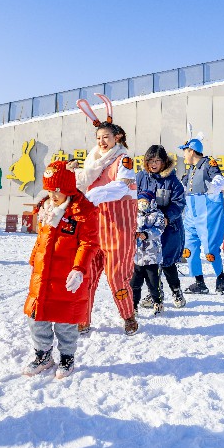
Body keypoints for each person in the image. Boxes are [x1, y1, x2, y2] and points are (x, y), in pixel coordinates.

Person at [22, 161, 100, 379]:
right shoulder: (46, 208)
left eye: (57, 190)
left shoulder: (82, 212)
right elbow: (41, 240)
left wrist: (79, 269)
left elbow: (89, 243)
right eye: (49, 190)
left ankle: (67, 357)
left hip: (68, 277)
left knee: (66, 321)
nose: (52, 195)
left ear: (68, 188)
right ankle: (43, 355)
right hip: (42, 275)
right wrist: (34, 261)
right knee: (37, 318)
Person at [71, 95, 139, 335]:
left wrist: (94, 195)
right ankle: (83, 318)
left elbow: (122, 187)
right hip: (94, 227)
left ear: (116, 137)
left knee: (116, 277)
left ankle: (128, 315)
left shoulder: (124, 160)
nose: (101, 142)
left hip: (119, 228)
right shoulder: (92, 163)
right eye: (98, 138)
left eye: (106, 137)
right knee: (87, 275)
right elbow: (80, 187)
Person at [135, 145, 187, 308]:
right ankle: (155, 293)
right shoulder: (140, 177)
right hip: (146, 228)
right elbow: (131, 197)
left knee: (167, 262)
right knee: (149, 264)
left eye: (157, 160)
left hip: (168, 228)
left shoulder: (172, 181)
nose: (154, 164)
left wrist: (167, 217)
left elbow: (179, 203)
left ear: (164, 162)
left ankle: (176, 291)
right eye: (150, 160)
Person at [179, 137, 224, 294]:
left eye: (185, 151)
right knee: (189, 247)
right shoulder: (191, 169)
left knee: (209, 248)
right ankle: (199, 282)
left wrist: (214, 187)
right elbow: (182, 185)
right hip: (190, 211)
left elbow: (218, 178)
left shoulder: (208, 163)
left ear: (191, 151)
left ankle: (220, 275)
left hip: (205, 210)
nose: (183, 155)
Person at [131, 191, 167, 315]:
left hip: (152, 257)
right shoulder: (134, 214)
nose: (142, 204)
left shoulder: (157, 215)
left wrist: (146, 234)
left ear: (151, 202)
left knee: (153, 283)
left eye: (144, 202)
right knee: (134, 284)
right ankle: (133, 306)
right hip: (137, 257)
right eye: (140, 202)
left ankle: (158, 302)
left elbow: (159, 229)